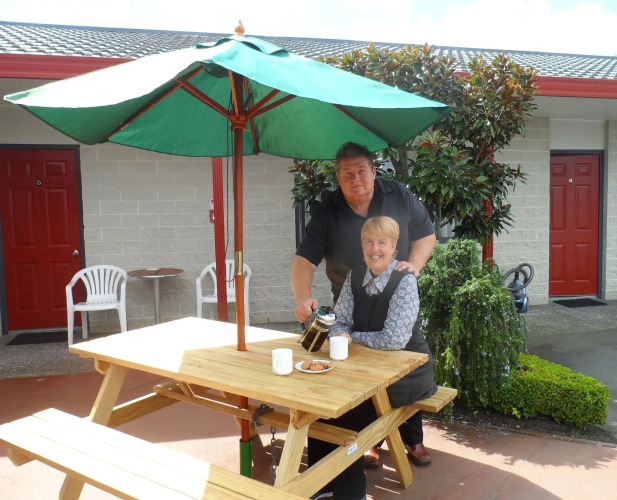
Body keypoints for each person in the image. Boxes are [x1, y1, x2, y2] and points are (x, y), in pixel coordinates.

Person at [291, 141, 436, 468]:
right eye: (347, 174)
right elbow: (304, 260)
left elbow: (427, 233)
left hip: (396, 291)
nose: (355, 179)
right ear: (338, 177)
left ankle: (413, 438)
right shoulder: (328, 210)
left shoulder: (398, 194)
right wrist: (302, 297)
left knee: (403, 358)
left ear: (373, 171)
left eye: (361, 171)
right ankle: (369, 437)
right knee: (358, 372)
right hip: (352, 296)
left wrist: (412, 268)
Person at [307, 216, 437, 499]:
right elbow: (340, 321)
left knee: (345, 411)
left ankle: (349, 494)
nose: (374, 248)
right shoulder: (355, 276)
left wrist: (352, 337)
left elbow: (394, 340)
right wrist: (341, 332)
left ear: (393, 247)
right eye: (369, 242)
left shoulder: (404, 281)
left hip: (407, 372)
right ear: (362, 245)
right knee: (321, 408)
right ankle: (322, 488)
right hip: (367, 368)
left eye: (382, 242)